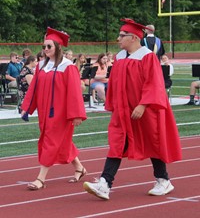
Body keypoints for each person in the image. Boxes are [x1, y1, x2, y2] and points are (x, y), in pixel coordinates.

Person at [83, 18, 182, 200]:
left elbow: (154, 83)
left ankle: (163, 179)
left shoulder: (147, 56)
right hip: (124, 111)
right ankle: (105, 183)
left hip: (146, 109)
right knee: (118, 142)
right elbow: (115, 84)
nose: (118, 39)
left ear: (134, 38)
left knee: (153, 142)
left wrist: (143, 104)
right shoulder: (120, 58)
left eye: (122, 35)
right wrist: (113, 104)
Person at [21, 27, 87, 190]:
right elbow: (34, 87)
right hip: (44, 111)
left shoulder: (67, 66)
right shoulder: (41, 65)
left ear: (58, 47)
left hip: (61, 112)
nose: (45, 50)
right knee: (61, 141)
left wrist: (76, 114)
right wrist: (26, 108)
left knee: (51, 141)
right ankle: (80, 168)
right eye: (44, 47)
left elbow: (74, 92)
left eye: (49, 46)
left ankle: (40, 179)